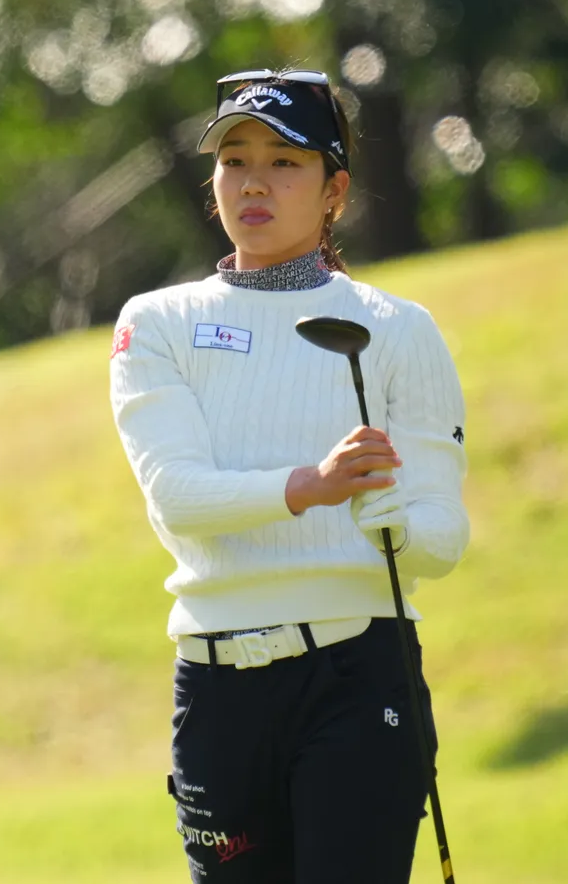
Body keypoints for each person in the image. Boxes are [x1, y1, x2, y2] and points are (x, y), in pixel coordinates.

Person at [107, 67, 470, 883]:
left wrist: (400, 527)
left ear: (334, 189)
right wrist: (315, 483)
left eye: (285, 162)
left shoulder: (399, 330)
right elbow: (178, 497)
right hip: (217, 691)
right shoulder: (157, 323)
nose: (253, 183)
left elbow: (444, 534)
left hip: (357, 678)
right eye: (234, 161)